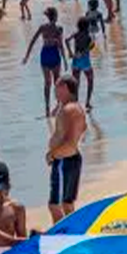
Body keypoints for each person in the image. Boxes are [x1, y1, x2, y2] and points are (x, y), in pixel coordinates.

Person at [46, 77, 87, 222]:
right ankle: (70, 235)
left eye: (56, 87)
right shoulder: (74, 108)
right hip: (67, 159)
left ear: (64, 87)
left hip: (65, 159)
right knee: (65, 204)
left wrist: (53, 154)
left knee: (57, 205)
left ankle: (62, 237)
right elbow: (82, 129)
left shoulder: (70, 109)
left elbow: (70, 142)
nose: (54, 91)